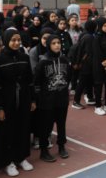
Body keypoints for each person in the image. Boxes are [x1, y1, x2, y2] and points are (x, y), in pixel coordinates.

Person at [0, 29, 36, 176]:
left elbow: (29, 80)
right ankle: (8, 162)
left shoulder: (24, 58)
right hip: (7, 102)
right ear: (7, 41)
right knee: (7, 132)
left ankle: (21, 158)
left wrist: (32, 99)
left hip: (23, 99)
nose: (16, 43)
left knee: (23, 129)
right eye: (13, 40)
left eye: (18, 40)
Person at [34, 34, 71, 162]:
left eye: (58, 43)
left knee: (61, 124)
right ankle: (44, 151)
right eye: (54, 43)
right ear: (49, 45)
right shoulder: (43, 62)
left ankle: (61, 146)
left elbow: (69, 77)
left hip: (62, 99)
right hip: (47, 101)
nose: (57, 45)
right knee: (46, 127)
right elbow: (36, 81)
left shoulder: (65, 60)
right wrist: (39, 98)